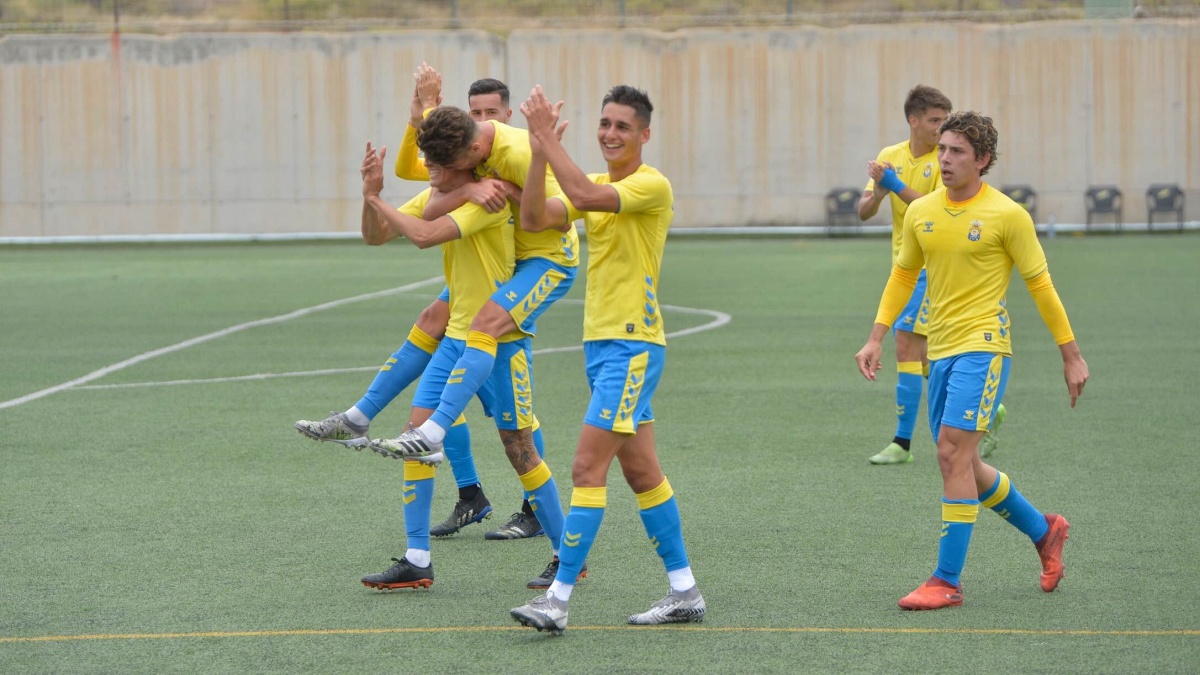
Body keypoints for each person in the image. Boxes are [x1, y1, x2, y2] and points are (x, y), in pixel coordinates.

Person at [296, 67, 544, 542]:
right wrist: (376, 194)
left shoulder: (499, 176)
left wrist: (390, 189)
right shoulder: (459, 178)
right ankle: (425, 545)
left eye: (490, 115)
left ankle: (555, 543)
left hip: (504, 303)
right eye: (474, 115)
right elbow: (384, 228)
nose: (480, 124)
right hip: (466, 315)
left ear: (505, 119)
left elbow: (428, 228)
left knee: (517, 431)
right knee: (425, 418)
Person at [854, 110, 1088, 610]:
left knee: (950, 456)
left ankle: (946, 580)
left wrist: (1071, 355)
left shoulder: (1008, 215)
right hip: (939, 350)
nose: (945, 159)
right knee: (965, 462)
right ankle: (1044, 530)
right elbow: (902, 277)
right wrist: (875, 338)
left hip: (985, 347)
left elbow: (1041, 285)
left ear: (983, 160)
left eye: (957, 151)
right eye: (942, 149)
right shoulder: (921, 212)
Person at [506, 85, 705, 635]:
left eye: (622, 126)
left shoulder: (650, 184)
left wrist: (545, 136)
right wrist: (540, 153)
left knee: (584, 468)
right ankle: (685, 590)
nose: (610, 134)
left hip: (633, 346)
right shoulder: (592, 182)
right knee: (642, 473)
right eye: (604, 124)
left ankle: (558, 599)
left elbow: (584, 200)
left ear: (644, 134)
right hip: (603, 348)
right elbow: (534, 218)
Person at [372, 93, 584, 588]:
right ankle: (417, 557)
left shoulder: (503, 174)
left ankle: (567, 557)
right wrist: (418, 115)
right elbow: (418, 200)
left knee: (519, 444)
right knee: (416, 427)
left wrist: (514, 178)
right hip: (471, 322)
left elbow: (547, 214)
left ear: (471, 154)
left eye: (441, 167)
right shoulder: (469, 178)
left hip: (540, 269)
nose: (431, 174)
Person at [857, 85, 1007, 464]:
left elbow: (930, 208)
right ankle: (987, 412)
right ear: (914, 120)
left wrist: (893, 185)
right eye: (935, 121)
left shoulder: (945, 162)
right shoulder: (891, 156)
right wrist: (877, 191)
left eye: (945, 122)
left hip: (933, 268)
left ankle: (902, 444)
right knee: (927, 359)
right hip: (904, 266)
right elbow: (864, 211)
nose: (943, 132)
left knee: (905, 346)